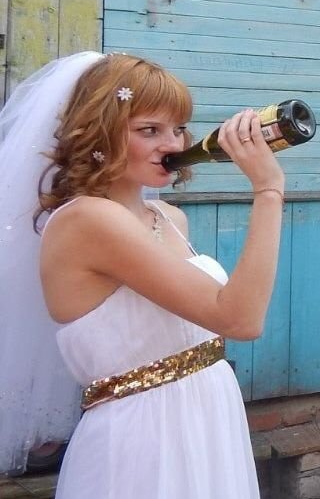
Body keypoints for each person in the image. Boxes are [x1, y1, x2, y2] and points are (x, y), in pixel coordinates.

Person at [0, 52, 285, 498]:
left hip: (208, 420)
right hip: (145, 441)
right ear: (100, 132)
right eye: (148, 130)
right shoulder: (88, 220)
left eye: (178, 129)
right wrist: (268, 190)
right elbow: (240, 319)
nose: (172, 145)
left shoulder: (167, 217)